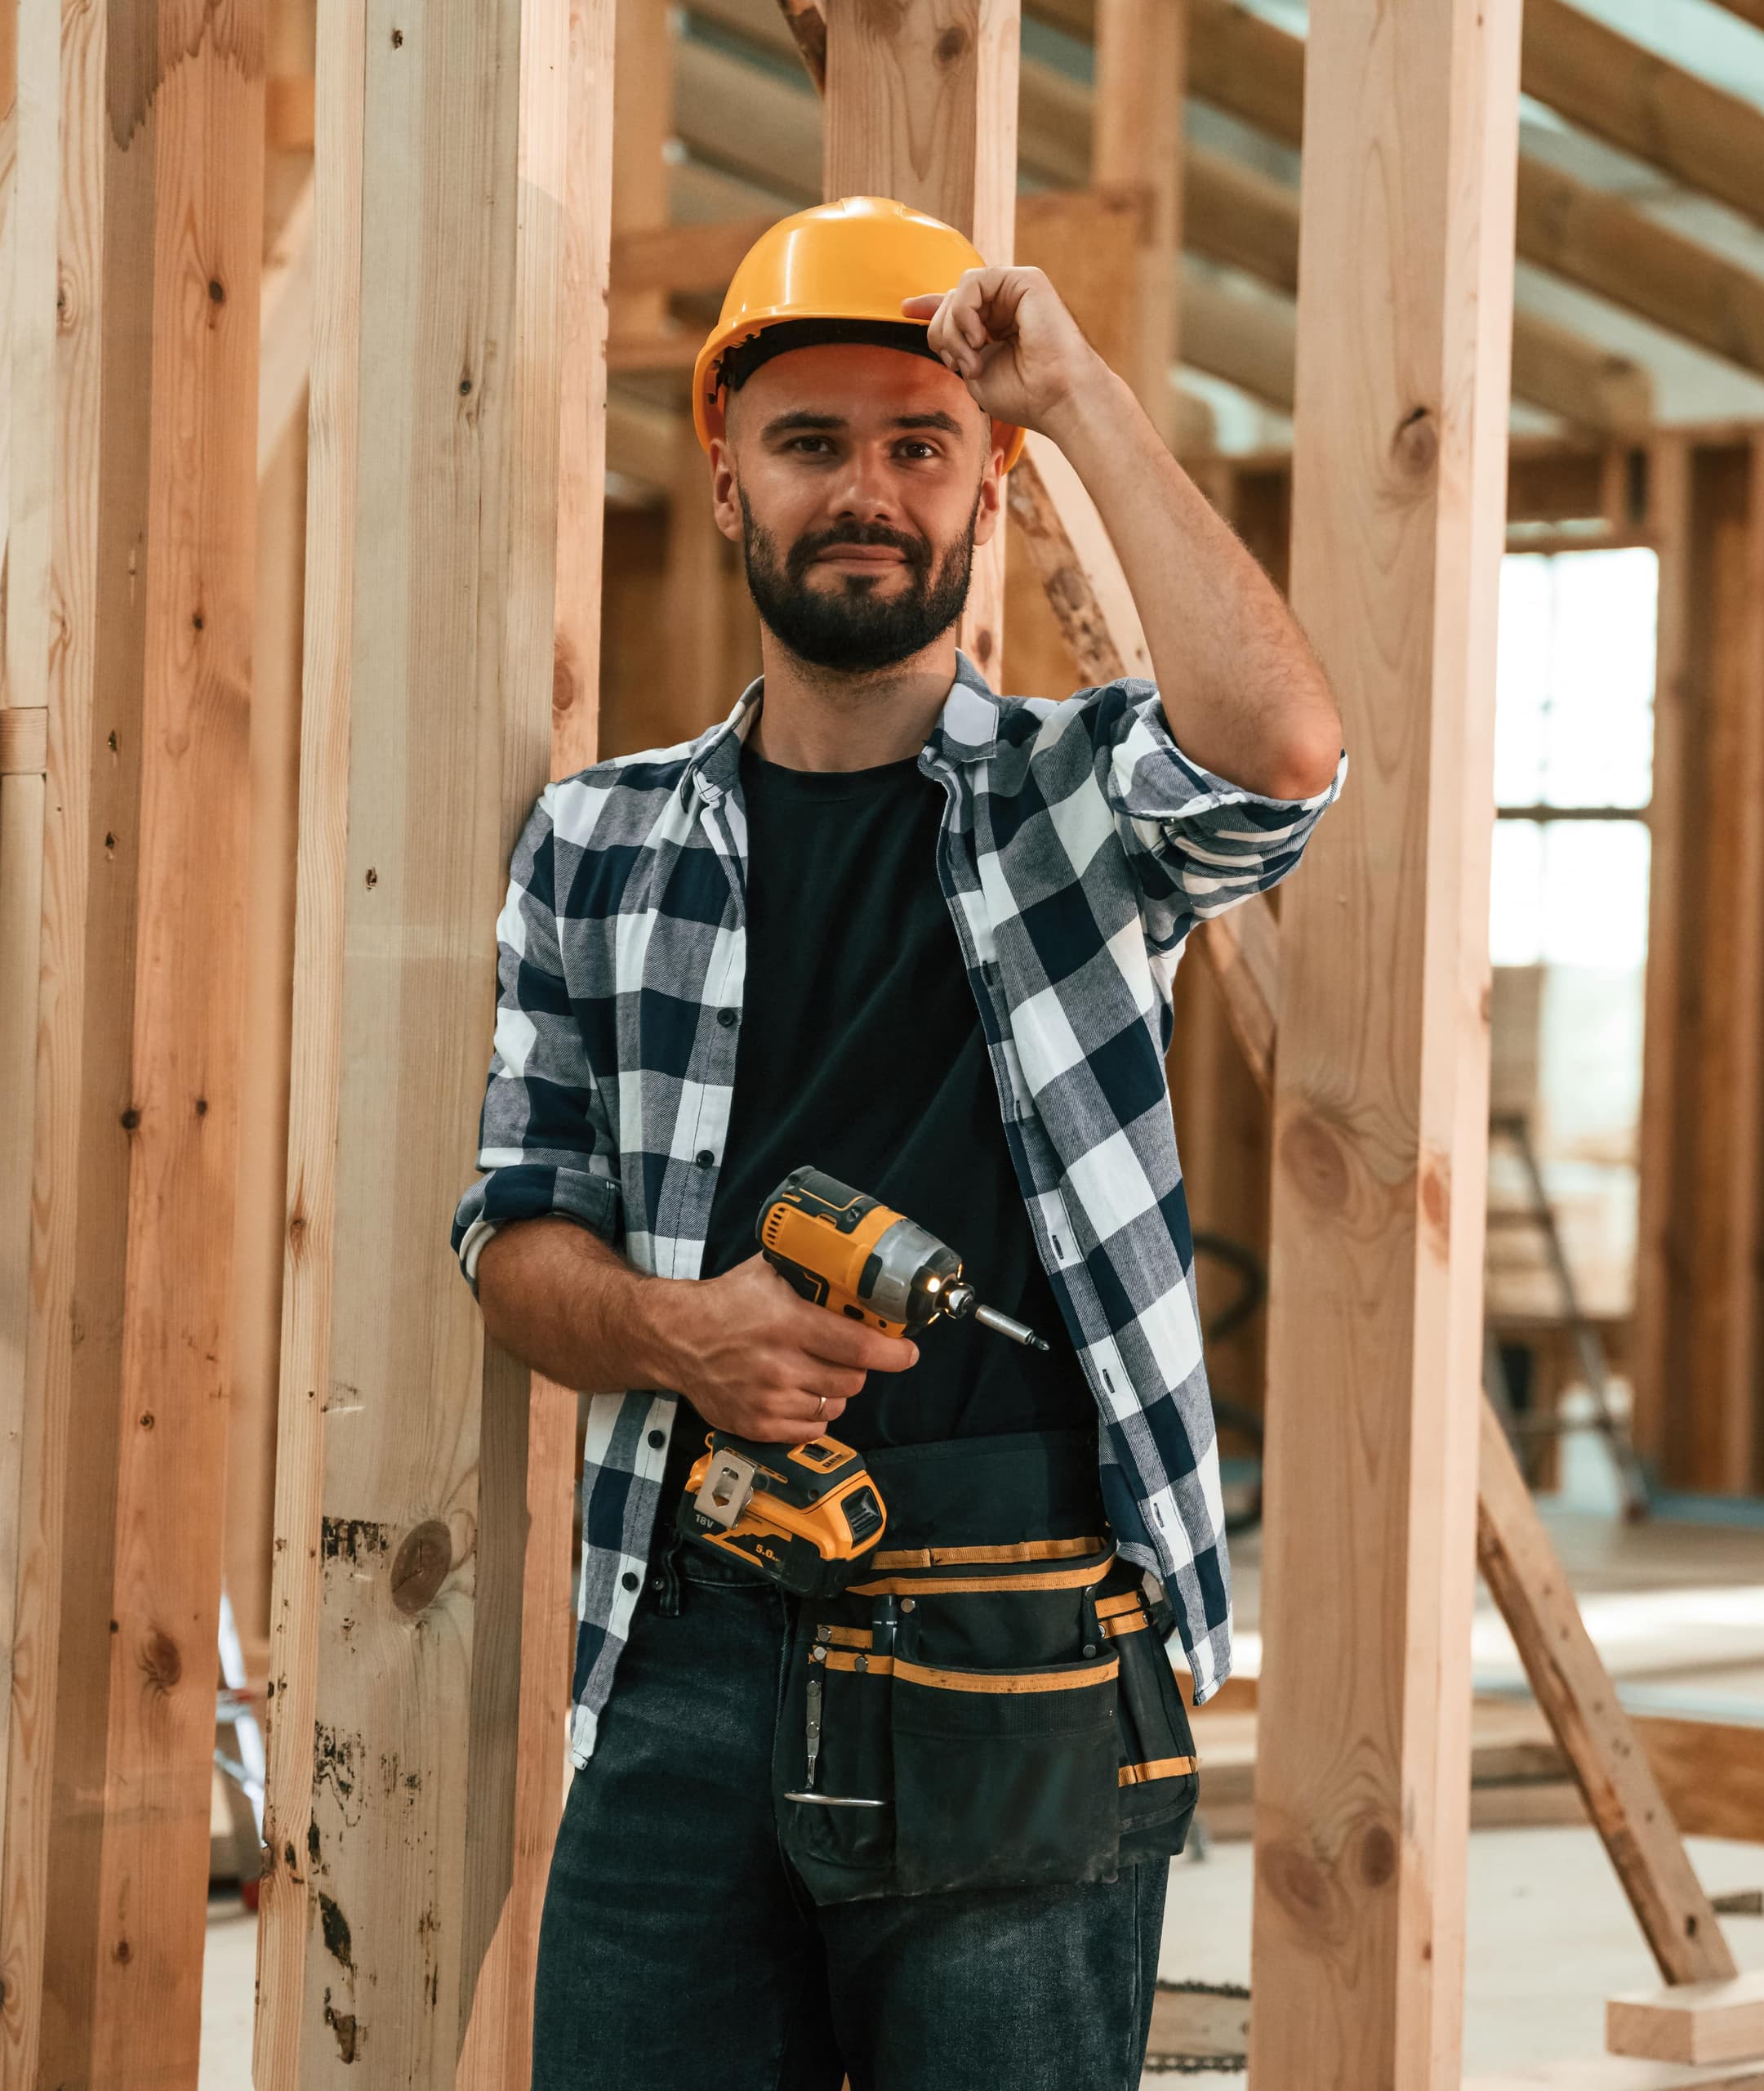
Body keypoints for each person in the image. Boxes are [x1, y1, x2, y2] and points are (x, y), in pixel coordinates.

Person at [452, 196, 1343, 2089]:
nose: (866, 488)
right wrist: (688, 1332)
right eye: (811, 442)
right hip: (685, 1632)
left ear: (985, 489)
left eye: (918, 443)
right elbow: (513, 1237)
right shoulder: (598, 846)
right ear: (727, 484)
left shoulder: (1079, 798)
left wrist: (1080, 396)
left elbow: (1278, 749)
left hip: (1027, 1636)